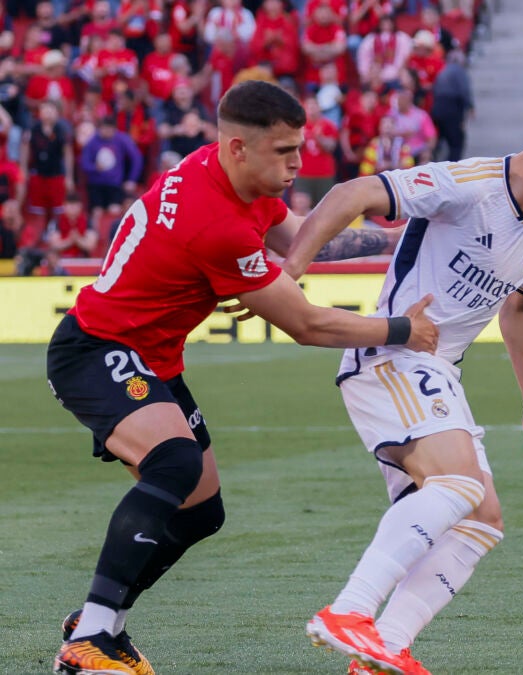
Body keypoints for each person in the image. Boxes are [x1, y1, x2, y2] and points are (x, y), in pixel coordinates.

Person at [47, 80, 438, 675]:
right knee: (174, 464)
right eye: (284, 151)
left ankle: (102, 626)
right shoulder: (216, 225)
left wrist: (399, 237)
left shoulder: (232, 178)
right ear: (238, 147)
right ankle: (92, 637)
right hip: (95, 349)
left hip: (151, 357)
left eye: (298, 148)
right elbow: (306, 324)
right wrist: (404, 330)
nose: (298, 163)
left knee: (201, 511)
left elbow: (301, 237)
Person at [284, 100, 523, 674]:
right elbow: (353, 193)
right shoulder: (470, 184)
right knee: (458, 484)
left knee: (483, 519)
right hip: (392, 356)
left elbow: (520, 308)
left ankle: (382, 651)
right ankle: (349, 611)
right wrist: (290, 274)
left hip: (438, 373)